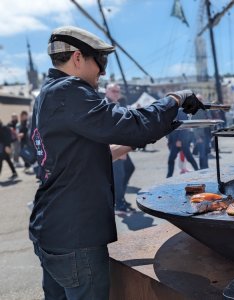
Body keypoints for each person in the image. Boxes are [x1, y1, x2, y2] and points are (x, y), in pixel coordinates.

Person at [29, 26, 204, 300]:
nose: (103, 71)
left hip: (52, 230)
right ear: (77, 57)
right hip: (76, 237)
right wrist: (175, 98)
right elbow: (130, 124)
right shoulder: (70, 91)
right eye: (101, 61)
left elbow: (87, 156)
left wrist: (158, 129)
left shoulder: (47, 96)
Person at [105, 83, 135, 213]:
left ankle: (120, 198)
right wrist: (118, 149)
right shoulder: (105, 106)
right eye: (113, 91)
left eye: (117, 91)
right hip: (113, 148)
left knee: (129, 169)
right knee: (119, 176)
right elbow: (107, 131)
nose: (116, 93)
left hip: (121, 146)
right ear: (107, 92)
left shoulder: (119, 105)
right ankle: (119, 203)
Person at [166, 109, 199, 177]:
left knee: (189, 158)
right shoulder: (170, 111)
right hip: (173, 141)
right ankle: (169, 177)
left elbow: (184, 126)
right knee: (171, 160)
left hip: (181, 140)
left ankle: (198, 172)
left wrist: (180, 140)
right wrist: (169, 140)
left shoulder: (181, 111)